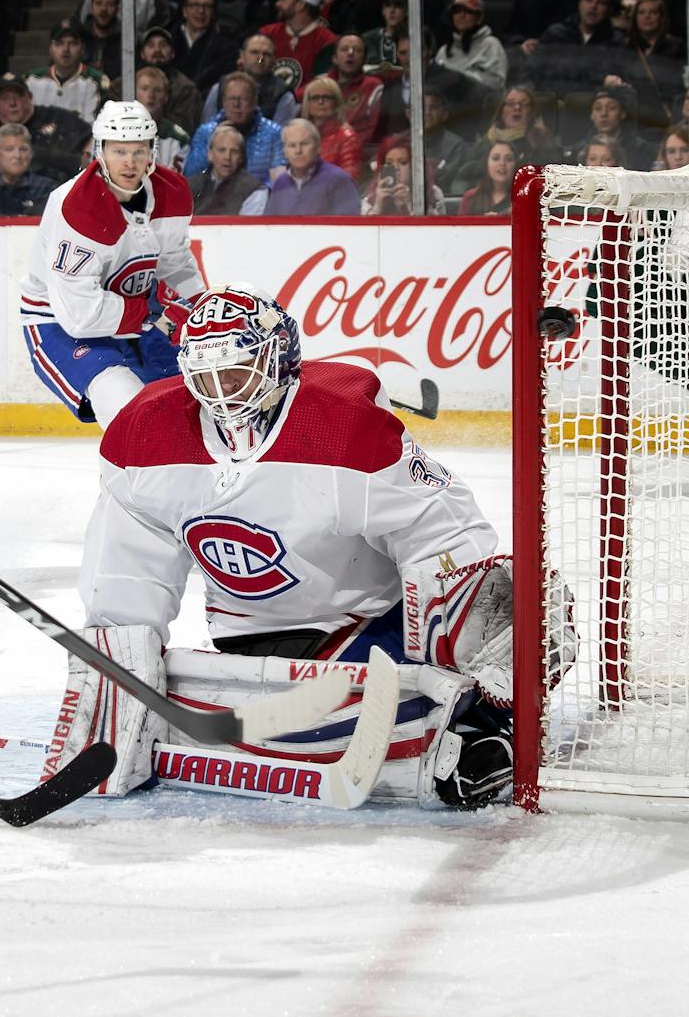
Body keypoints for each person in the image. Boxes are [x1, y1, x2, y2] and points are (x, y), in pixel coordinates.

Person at [53, 282, 538, 808]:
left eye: (235, 372)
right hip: (252, 642)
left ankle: (481, 718)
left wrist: (450, 652)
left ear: (280, 362)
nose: (220, 392)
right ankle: (416, 729)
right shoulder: (143, 434)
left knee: (525, 610)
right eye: (203, 376)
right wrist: (117, 672)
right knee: (254, 718)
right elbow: (127, 574)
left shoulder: (343, 427)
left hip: (374, 626)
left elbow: (444, 533)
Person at [19, 100, 205, 429]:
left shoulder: (172, 192)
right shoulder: (79, 209)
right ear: (100, 151)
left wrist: (201, 311)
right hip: (59, 322)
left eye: (138, 151)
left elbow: (175, 264)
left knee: (192, 404)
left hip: (135, 315)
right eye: (119, 151)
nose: (130, 162)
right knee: (127, 408)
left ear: (153, 150)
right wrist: (154, 314)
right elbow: (81, 315)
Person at [0, 73, 91, 185]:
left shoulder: (55, 117)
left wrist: (86, 166)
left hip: (60, 191)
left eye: (18, 96)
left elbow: (92, 139)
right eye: (5, 98)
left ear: (30, 97)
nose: (12, 103)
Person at [529, 0, 626, 98]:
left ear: (609, 10)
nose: (593, 6)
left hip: (596, 109)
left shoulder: (616, 42)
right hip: (555, 105)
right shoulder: (555, 34)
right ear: (580, 3)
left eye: (601, 2)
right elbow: (535, 71)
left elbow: (617, 83)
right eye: (588, 0)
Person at [184, 71, 285, 183]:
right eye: (231, 98)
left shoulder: (275, 133)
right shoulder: (205, 132)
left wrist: (256, 194)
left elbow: (279, 181)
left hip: (259, 197)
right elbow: (190, 174)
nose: (236, 105)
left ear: (254, 102)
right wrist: (212, 141)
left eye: (243, 99)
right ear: (223, 101)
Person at [265, 117, 358, 215]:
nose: (298, 151)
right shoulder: (281, 183)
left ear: (318, 147)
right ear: (285, 151)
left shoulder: (339, 180)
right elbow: (268, 226)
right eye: (292, 145)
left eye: (304, 144)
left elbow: (349, 226)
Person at [199, 31, 296, 126]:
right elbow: (207, 129)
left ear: (274, 60)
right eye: (254, 52)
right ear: (242, 56)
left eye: (266, 54)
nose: (260, 59)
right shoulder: (221, 87)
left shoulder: (283, 95)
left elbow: (282, 137)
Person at [258, 0, 337, 93]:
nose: (278, 3)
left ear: (300, 5)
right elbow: (257, 62)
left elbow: (320, 83)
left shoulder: (326, 42)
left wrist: (289, 99)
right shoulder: (267, 34)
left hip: (304, 106)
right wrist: (260, 58)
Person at [27, 19, 111, 126]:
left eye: (72, 43)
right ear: (50, 48)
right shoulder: (31, 79)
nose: (66, 49)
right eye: (59, 43)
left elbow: (96, 128)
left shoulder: (96, 80)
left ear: (82, 48)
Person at [622, 0, 686, 131]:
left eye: (653, 12)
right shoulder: (627, 48)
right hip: (636, 117)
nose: (647, 17)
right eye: (642, 12)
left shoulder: (677, 47)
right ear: (635, 17)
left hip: (668, 115)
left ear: (662, 17)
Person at [433, 0, 507, 103]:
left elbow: (496, 83)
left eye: (468, 11)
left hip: (478, 110)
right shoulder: (443, 51)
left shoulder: (491, 45)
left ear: (479, 17)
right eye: (457, 11)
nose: (461, 15)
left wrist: (460, 79)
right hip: (447, 111)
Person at [168, 0, 238, 96]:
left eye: (207, 6)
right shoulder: (167, 41)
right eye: (195, 5)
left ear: (213, 13)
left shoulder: (227, 47)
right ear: (184, 11)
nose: (201, 11)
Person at [470, 85, 562, 169]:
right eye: (510, 104)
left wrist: (538, 142)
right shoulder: (490, 136)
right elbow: (469, 168)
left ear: (532, 112)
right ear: (502, 111)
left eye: (524, 104)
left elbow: (552, 171)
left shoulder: (540, 138)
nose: (517, 107)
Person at [134, 26, 204, 134]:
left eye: (163, 45)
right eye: (151, 45)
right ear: (142, 53)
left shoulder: (186, 89)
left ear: (172, 53)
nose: (157, 50)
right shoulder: (126, 82)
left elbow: (183, 125)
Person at [185, 123, 267, 214]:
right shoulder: (191, 186)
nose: (227, 157)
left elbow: (249, 227)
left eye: (234, 151)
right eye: (221, 150)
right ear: (210, 154)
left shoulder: (255, 190)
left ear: (241, 157)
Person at [361, 134, 445, 215]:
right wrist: (377, 207)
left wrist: (410, 206)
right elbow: (363, 229)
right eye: (389, 163)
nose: (396, 168)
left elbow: (434, 228)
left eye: (403, 163)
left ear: (414, 166)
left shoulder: (433, 193)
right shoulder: (370, 198)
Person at [299, 73, 360, 180]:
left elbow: (349, 178)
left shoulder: (347, 136)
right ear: (307, 103)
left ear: (337, 103)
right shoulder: (299, 135)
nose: (321, 102)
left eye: (326, 97)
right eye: (315, 97)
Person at [326, 34, 382, 146]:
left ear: (365, 60)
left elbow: (371, 128)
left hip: (358, 150)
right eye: (344, 49)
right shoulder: (322, 85)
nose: (350, 53)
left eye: (357, 50)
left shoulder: (372, 85)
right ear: (335, 59)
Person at [134, 65, 191, 170]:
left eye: (157, 90)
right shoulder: (116, 131)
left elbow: (173, 181)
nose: (151, 95)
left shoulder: (178, 138)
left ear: (166, 97)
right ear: (134, 93)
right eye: (144, 88)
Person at [458, 139, 518, 216]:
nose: (502, 163)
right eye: (496, 158)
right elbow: (462, 227)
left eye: (509, 159)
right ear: (486, 163)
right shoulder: (470, 197)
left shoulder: (527, 199)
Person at [80, 0, 124, 81]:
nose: (104, 9)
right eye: (99, 3)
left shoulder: (126, 40)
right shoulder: (78, 37)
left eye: (110, 4)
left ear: (118, 8)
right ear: (91, 7)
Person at [362, 0, 406, 74]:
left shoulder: (412, 39)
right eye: (388, 5)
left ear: (406, 10)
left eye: (397, 5)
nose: (392, 10)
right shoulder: (368, 38)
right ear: (383, 10)